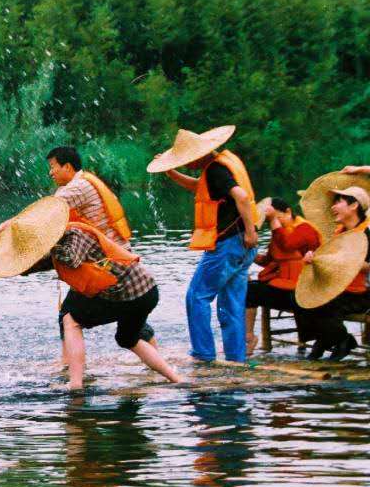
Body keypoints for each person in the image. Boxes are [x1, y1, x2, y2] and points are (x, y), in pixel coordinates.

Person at [0, 196, 182, 390]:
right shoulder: (58, 244)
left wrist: (46, 246)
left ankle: (75, 384)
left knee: (71, 319)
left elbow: (71, 259)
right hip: (142, 292)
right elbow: (32, 267)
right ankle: (176, 379)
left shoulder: (74, 233)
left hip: (131, 292)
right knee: (127, 339)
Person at [148, 125, 259, 363]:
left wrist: (251, 232)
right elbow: (199, 186)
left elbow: (241, 197)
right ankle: (236, 357)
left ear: (199, 155)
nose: (186, 164)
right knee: (231, 303)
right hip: (242, 245)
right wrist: (171, 173)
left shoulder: (216, 170)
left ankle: (203, 354)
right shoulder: (220, 165)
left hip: (228, 244)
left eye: (187, 160)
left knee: (197, 296)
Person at [294, 186, 370, 360]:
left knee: (325, 304)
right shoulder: (338, 234)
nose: (333, 207)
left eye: (338, 202)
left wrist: (348, 262)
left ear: (354, 206)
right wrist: (313, 257)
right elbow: (327, 260)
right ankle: (329, 339)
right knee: (300, 299)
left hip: (363, 292)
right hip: (340, 288)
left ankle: (340, 341)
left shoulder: (367, 232)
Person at [244, 197, 321, 352]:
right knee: (249, 290)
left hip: (302, 289)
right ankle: (249, 336)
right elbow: (268, 260)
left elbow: (288, 245)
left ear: (288, 212)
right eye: (273, 220)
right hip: (282, 284)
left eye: (278, 217)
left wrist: (273, 220)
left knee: (252, 290)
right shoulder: (279, 232)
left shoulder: (305, 229)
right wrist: (249, 253)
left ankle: (309, 340)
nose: (275, 223)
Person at [45, 146, 132, 244]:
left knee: (70, 233)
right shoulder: (82, 180)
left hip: (109, 247)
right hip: (111, 245)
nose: (50, 173)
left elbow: (47, 211)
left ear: (67, 167)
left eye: (52, 167)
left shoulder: (78, 186)